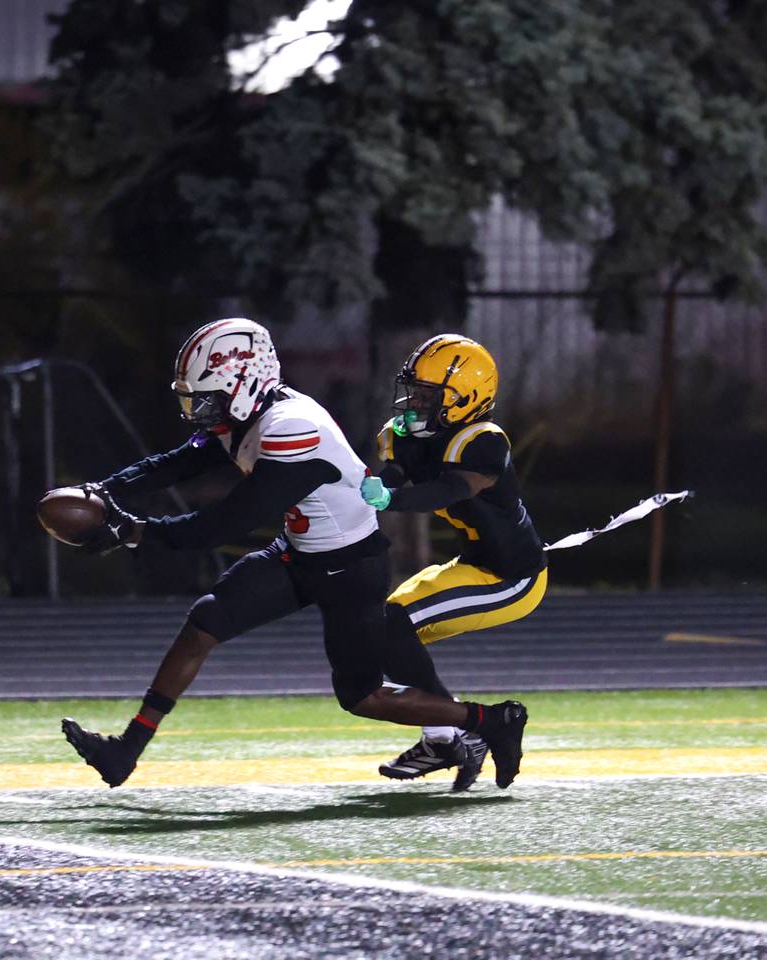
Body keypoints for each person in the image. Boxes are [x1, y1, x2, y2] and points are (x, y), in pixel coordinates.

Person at [60, 318, 528, 789]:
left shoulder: (293, 429)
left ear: (243, 387)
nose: (200, 410)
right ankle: (127, 750)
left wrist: (132, 533)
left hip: (351, 568)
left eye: (208, 397)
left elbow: (224, 524)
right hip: (299, 554)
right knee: (205, 622)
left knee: (361, 697)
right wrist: (103, 488)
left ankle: (489, 721)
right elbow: (178, 462)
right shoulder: (247, 413)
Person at [360, 334, 547, 790]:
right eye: (415, 390)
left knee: (391, 625)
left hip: (511, 577)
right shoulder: (402, 436)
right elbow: (396, 471)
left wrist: (392, 499)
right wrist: (374, 484)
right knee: (377, 633)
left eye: (429, 395)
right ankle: (454, 732)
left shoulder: (481, 440)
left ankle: (451, 733)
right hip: (475, 563)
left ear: (465, 399)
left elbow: (450, 488)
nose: (415, 401)